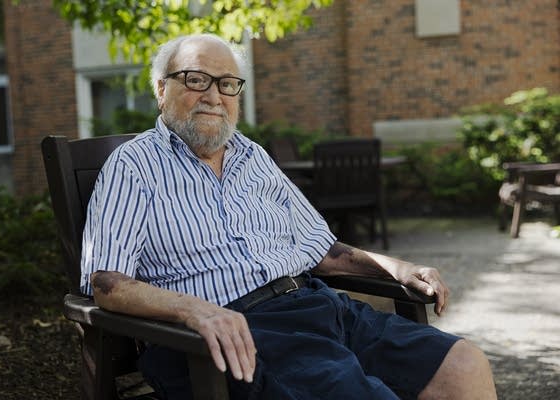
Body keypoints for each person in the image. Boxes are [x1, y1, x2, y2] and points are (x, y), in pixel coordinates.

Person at [81, 33, 497, 399]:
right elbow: (107, 284)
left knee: (464, 365)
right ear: (160, 89)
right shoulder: (133, 166)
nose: (213, 95)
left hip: (318, 307)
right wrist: (195, 310)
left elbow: (324, 251)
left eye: (227, 84)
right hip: (233, 335)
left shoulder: (253, 156)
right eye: (196, 79)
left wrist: (398, 268)